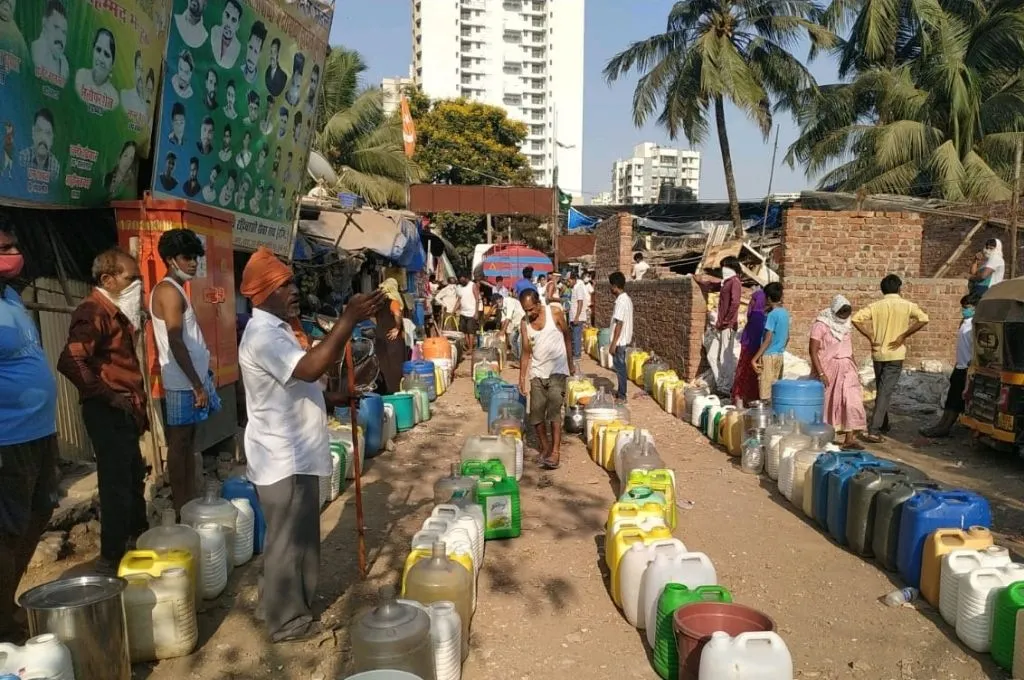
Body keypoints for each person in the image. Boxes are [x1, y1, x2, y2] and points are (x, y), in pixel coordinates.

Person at [237, 247, 384, 643]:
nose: (294, 291)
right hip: (281, 455)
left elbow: (295, 384)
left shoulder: (280, 329)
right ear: (262, 293)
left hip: (293, 452)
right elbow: (308, 368)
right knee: (289, 542)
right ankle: (287, 622)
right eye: (284, 286)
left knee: (292, 540)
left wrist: (332, 398)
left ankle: (276, 605)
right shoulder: (264, 335)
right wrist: (347, 320)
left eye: (292, 283)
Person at [58, 249, 148, 572]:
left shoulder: (113, 312)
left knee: (131, 479)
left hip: (122, 409)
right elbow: (71, 360)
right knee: (116, 486)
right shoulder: (94, 311)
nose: (137, 284)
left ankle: (136, 543)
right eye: (131, 278)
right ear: (108, 280)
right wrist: (110, 397)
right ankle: (112, 558)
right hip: (108, 411)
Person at [0, 219, 59, 640]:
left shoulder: (10, 296)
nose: (13, 254)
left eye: (13, 245)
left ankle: (7, 600)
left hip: (40, 431)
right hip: (9, 438)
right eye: (3, 248)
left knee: (41, 512)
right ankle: (3, 619)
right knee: (8, 529)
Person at [150, 228, 218, 512]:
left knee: (188, 442)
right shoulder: (168, 291)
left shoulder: (177, 289)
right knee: (180, 444)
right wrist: (196, 385)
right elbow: (175, 340)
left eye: (195, 258)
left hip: (190, 380)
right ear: (170, 259)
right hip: (182, 383)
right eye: (187, 257)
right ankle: (181, 506)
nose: (193, 263)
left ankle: (188, 502)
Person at [852, 274, 930, 443]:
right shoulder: (907, 305)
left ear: (882, 290)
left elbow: (855, 318)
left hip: (878, 353)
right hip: (896, 354)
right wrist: (904, 335)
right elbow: (924, 319)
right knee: (884, 392)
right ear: (899, 288)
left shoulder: (876, 306)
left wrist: (869, 336)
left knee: (882, 390)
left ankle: (883, 423)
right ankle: (874, 430)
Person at [518, 288, 572, 470]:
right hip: (537, 372)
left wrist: (570, 363)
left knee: (554, 411)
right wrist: (522, 377)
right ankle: (545, 446)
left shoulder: (554, 313)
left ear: (538, 304)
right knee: (536, 414)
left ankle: (555, 451)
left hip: (557, 370)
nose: (528, 313)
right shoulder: (524, 323)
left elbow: (567, 336)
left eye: (531, 309)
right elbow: (526, 352)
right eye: (525, 310)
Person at [809, 295, 866, 448]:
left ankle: (849, 438)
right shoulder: (821, 325)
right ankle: (824, 436)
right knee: (830, 403)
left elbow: (849, 348)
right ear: (835, 311)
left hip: (847, 368)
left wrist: (856, 369)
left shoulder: (846, 325)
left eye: (846, 315)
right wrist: (821, 373)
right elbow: (813, 351)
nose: (844, 318)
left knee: (852, 400)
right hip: (828, 368)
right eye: (841, 315)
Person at [921, 294, 979, 438]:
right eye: (963, 307)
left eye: (967, 307)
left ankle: (945, 427)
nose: (964, 310)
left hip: (967, 368)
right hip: (959, 365)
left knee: (956, 401)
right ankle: (941, 425)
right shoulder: (964, 323)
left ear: (975, 308)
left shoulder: (974, 326)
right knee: (951, 399)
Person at [703, 256, 742, 393]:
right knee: (712, 355)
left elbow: (735, 303)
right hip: (719, 325)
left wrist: (726, 321)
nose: (723, 269)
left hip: (727, 326)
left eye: (725, 266)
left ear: (732, 267)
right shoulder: (726, 282)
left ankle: (727, 387)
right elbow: (712, 286)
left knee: (725, 357)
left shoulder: (735, 282)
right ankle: (721, 384)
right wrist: (700, 281)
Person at [751, 282, 789, 401]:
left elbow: (767, 340)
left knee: (765, 394)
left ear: (768, 298)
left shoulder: (772, 315)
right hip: (779, 356)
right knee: (776, 393)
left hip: (768, 357)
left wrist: (754, 359)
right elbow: (787, 337)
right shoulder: (785, 313)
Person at [732, 285, 765, 404]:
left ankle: (741, 398)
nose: (751, 303)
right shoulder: (760, 316)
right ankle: (746, 399)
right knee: (750, 375)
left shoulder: (756, 316)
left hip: (749, 348)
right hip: (754, 349)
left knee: (744, 373)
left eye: (753, 300)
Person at [375, 278, 407, 395]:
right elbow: (397, 314)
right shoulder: (393, 302)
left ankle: (385, 391)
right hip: (392, 338)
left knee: (383, 364)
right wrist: (397, 328)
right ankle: (396, 390)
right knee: (395, 364)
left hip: (380, 336)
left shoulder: (378, 303)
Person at [75, 28, 118, 111]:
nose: (101, 58)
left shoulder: (114, 97)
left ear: (112, 64)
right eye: (98, 50)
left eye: (106, 54)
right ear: (93, 51)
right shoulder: (80, 77)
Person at [607, 271, 634, 401]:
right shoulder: (627, 299)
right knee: (620, 367)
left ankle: (622, 395)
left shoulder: (621, 302)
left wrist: (613, 344)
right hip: (623, 339)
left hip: (619, 341)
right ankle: (621, 392)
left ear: (615, 286)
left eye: (611, 286)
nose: (610, 289)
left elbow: (619, 323)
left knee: (620, 368)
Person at [31, 1, 69, 85]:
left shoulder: (64, 64)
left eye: (64, 32)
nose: (60, 37)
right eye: (56, 27)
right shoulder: (37, 49)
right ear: (44, 23)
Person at [19, 108, 60, 184]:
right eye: (39, 131)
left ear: (52, 138)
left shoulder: (55, 166)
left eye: (47, 133)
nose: (43, 137)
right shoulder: (22, 158)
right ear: (33, 133)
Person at [210, 0, 241, 69]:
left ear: (237, 26)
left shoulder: (237, 46)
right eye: (227, 15)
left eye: (233, 20)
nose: (228, 23)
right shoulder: (214, 31)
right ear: (222, 14)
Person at [455, 274, 480, 360]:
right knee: (464, 331)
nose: (462, 282)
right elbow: (459, 300)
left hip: (471, 313)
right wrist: (453, 310)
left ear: (466, 278)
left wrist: (476, 312)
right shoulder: (459, 287)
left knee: (471, 331)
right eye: (460, 281)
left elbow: (477, 299)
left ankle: (470, 348)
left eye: (463, 280)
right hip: (463, 313)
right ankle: (469, 347)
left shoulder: (472, 285)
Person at [568, 270, 589, 364]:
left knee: (576, 337)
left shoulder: (579, 288)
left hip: (578, 318)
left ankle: (577, 355)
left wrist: (577, 316)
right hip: (573, 317)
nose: (568, 282)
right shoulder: (574, 288)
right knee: (574, 336)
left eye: (569, 280)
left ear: (573, 279)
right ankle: (575, 354)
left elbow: (580, 303)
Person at [498, 293, 526, 361]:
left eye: (498, 302)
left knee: (519, 341)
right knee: (511, 339)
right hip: (515, 323)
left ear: (501, 299)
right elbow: (503, 320)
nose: (498, 304)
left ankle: (521, 360)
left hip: (522, 321)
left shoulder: (509, 301)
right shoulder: (501, 307)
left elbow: (508, 318)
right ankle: (516, 358)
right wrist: (501, 331)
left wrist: (503, 331)